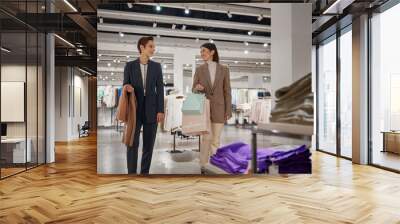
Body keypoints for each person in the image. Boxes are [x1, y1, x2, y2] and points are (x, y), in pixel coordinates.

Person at [123, 36, 164, 174]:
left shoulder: (157, 67)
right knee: (132, 143)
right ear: (142, 47)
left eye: (153, 46)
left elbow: (160, 89)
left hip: (152, 111)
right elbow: (125, 84)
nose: (154, 49)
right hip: (135, 110)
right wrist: (127, 87)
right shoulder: (130, 66)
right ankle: (131, 173)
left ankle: (144, 173)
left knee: (149, 145)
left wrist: (160, 110)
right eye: (151, 46)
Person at [192, 42, 232, 171]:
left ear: (212, 52)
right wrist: (197, 88)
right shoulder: (199, 70)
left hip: (220, 108)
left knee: (216, 139)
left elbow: (227, 91)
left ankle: (214, 163)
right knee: (206, 138)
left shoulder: (224, 69)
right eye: (201, 52)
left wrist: (228, 110)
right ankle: (203, 164)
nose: (202, 54)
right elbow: (194, 89)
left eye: (204, 51)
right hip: (204, 109)